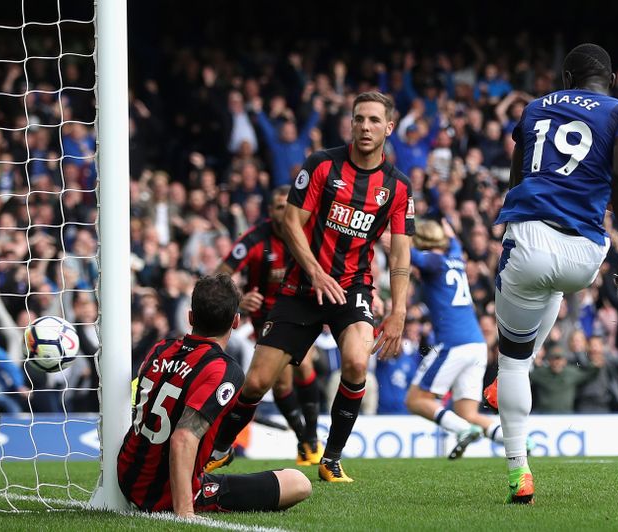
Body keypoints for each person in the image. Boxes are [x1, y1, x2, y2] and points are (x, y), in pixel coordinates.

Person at [206, 91, 415, 482]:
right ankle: (219, 450)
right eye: (358, 119)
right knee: (256, 383)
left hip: (352, 289)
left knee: (356, 361)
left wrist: (399, 309)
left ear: (388, 127)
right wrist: (316, 272)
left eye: (373, 120)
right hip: (303, 286)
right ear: (349, 124)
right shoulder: (321, 165)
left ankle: (330, 458)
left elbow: (402, 254)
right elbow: (291, 223)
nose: (365, 127)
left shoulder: (398, 188)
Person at [484, 44, 618, 504]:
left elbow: (518, 174)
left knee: (513, 359)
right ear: (610, 80)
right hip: (584, 256)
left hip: (531, 239)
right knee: (548, 289)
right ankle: (509, 379)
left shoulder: (536, 106)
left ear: (567, 77)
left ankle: (519, 472)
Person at [117, 274, 310, 517]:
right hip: (163, 491)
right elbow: (183, 438)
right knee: (298, 483)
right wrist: (185, 513)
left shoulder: (160, 348)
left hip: (127, 476)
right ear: (236, 321)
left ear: (190, 317)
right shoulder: (224, 369)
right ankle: (190, 498)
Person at [216, 185, 324, 466]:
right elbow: (220, 275)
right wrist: (240, 300)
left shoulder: (309, 232)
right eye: (278, 206)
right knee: (282, 381)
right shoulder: (254, 240)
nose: (284, 211)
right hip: (268, 319)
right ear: (270, 212)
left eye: (288, 205)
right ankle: (305, 439)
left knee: (305, 367)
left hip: (302, 310)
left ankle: (310, 437)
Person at [406, 219, 517, 458]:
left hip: (454, 343)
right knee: (467, 411)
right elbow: (453, 239)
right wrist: (445, 223)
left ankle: (463, 430)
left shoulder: (434, 261)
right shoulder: (455, 254)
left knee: (416, 400)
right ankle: (517, 442)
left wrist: (394, 232)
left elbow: (407, 253)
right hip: (477, 345)